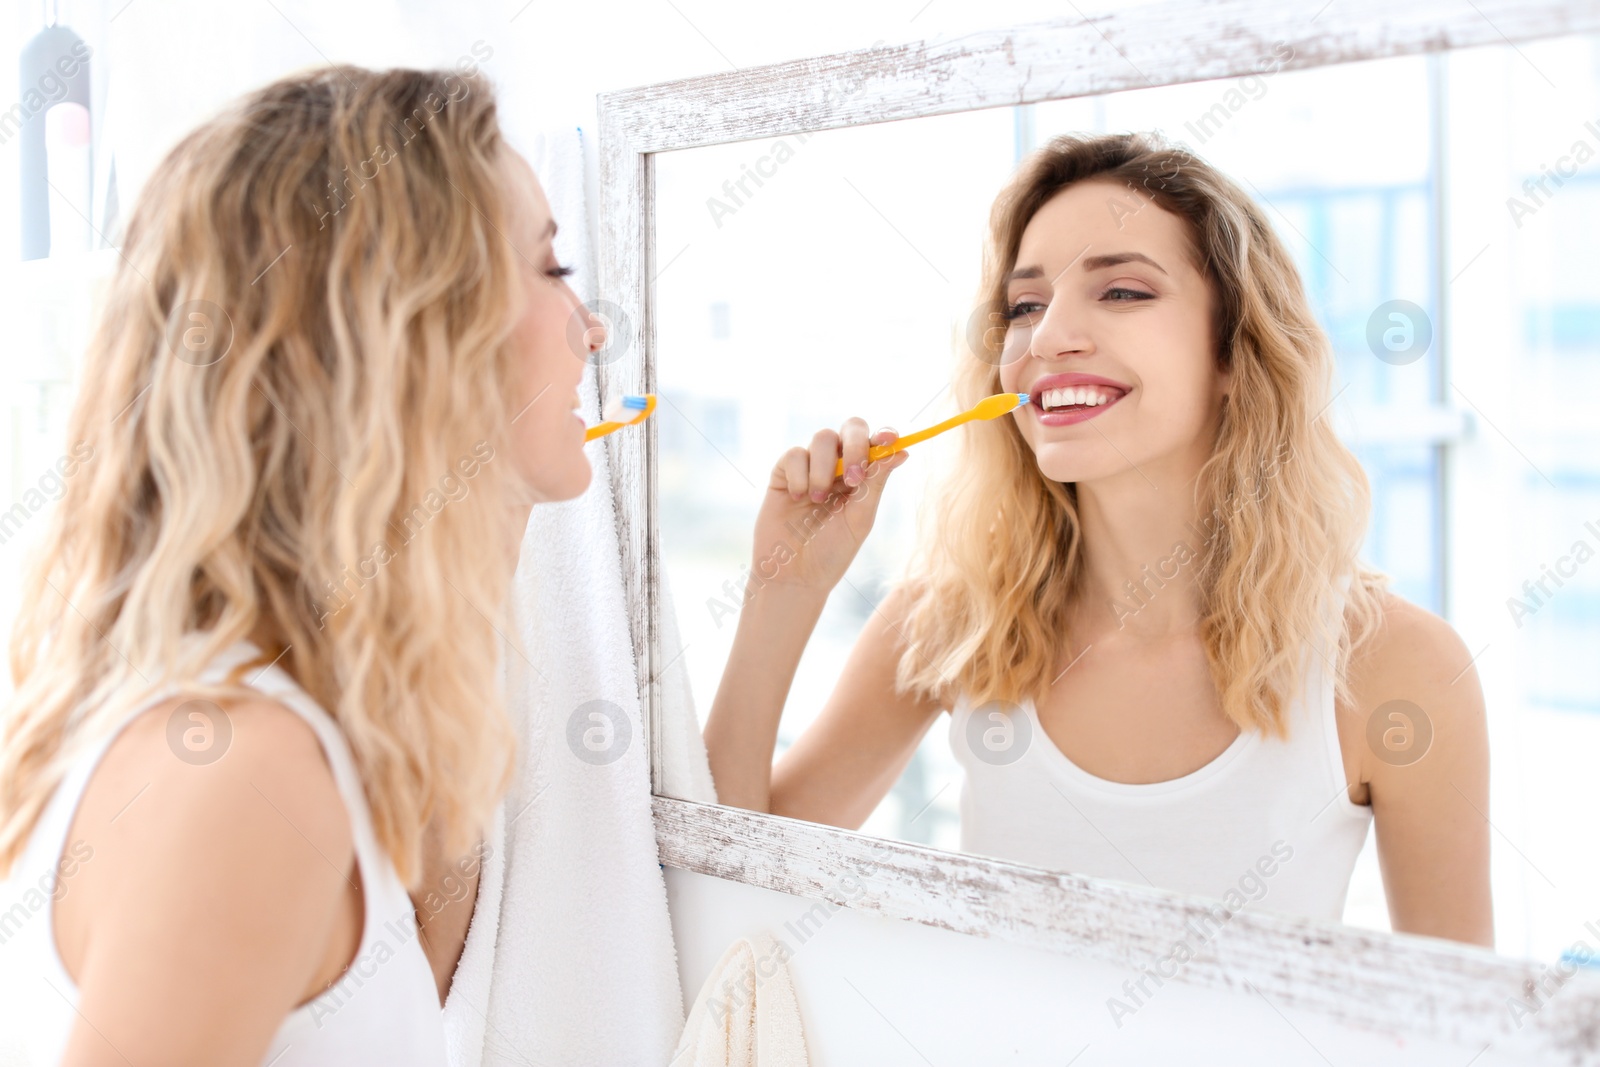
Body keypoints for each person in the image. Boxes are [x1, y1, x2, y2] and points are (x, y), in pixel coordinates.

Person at [703, 131, 1491, 945]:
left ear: (1233, 348)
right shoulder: (948, 626)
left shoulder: (1398, 668)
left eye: (1120, 292)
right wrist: (783, 588)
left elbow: (1474, 1034)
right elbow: (723, 888)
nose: (1047, 338)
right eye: (1025, 305)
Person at [0, 65, 603, 1064]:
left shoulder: (259, 720)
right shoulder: (245, 766)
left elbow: (420, 974)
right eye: (549, 270)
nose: (589, 327)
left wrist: (468, 528)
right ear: (414, 337)